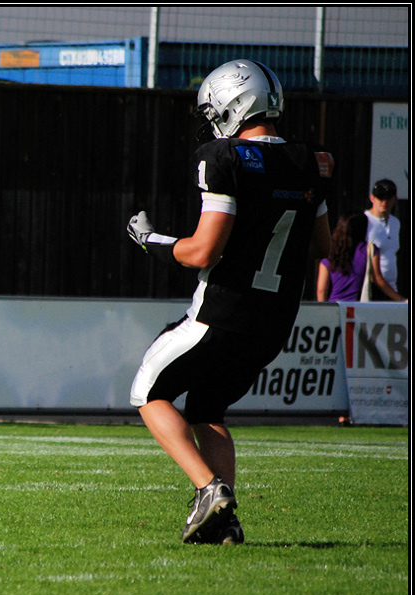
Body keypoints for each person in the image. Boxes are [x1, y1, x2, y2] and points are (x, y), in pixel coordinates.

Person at [127, 60, 332, 545]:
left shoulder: (224, 157)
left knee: (147, 390)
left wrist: (150, 239)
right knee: (208, 408)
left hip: (220, 312)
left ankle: (208, 491)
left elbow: (203, 251)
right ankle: (227, 524)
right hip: (274, 322)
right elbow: (322, 248)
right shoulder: (312, 160)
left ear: (232, 103)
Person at [317, 213, 404, 302]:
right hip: (359, 307)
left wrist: (323, 311)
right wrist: (401, 299)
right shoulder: (370, 250)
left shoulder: (330, 253)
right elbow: (378, 280)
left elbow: (321, 290)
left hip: (335, 306)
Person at [364, 179, 405, 300]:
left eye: (388, 198)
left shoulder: (395, 223)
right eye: (380, 197)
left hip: (391, 287)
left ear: (395, 199)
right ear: (372, 198)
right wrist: (401, 300)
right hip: (371, 289)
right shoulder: (364, 220)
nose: (384, 202)